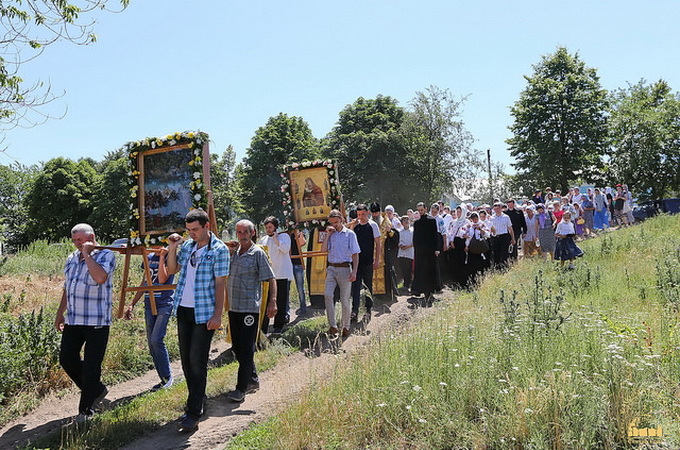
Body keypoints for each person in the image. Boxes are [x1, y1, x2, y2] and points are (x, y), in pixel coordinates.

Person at [166, 209, 229, 432]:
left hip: (204, 312)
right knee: (185, 360)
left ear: (206, 226)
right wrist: (172, 248)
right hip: (183, 309)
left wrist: (217, 314)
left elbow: (221, 284)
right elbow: (172, 270)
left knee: (197, 360)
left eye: (195, 230)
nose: (192, 234)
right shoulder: (187, 247)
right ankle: (198, 400)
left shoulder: (219, 250)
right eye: (189, 230)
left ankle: (193, 413)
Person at [54, 223, 116, 424]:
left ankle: (86, 411)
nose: (77, 244)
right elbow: (68, 287)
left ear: (92, 237)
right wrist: (60, 312)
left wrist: (88, 254)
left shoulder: (105, 255)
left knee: (91, 365)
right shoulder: (71, 258)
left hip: (96, 320)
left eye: (80, 240)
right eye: (75, 241)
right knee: (67, 359)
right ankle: (96, 390)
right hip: (73, 318)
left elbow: (99, 278)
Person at [224, 220, 276, 404]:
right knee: (238, 348)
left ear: (253, 233)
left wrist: (272, 302)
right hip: (234, 308)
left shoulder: (258, 254)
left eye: (245, 231)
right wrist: (229, 250)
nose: (242, 235)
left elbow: (271, 278)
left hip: (249, 309)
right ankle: (252, 379)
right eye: (239, 232)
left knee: (246, 349)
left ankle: (241, 388)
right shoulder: (234, 253)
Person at [125, 248, 175, 392]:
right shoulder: (149, 256)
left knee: (156, 339)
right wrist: (131, 304)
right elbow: (144, 282)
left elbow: (162, 278)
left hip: (164, 303)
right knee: (151, 343)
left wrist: (163, 256)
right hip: (149, 302)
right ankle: (163, 378)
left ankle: (168, 377)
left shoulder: (169, 256)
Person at [321, 209, 360, 337]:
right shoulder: (330, 234)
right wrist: (328, 234)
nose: (335, 225)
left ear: (341, 220)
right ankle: (332, 326)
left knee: (344, 300)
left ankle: (346, 326)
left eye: (336, 222)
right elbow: (323, 250)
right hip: (331, 268)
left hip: (344, 268)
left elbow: (355, 254)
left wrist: (354, 271)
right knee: (327, 295)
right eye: (332, 222)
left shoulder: (350, 234)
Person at [258, 217, 293, 333]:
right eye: (267, 227)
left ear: (275, 227)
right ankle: (264, 327)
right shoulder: (263, 240)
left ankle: (278, 326)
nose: (268, 230)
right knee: (267, 301)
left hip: (282, 274)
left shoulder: (284, 237)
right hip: (268, 276)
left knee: (281, 301)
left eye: (270, 227)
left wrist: (275, 238)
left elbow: (285, 249)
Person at [351, 204, 380, 321]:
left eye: (363, 214)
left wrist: (377, 260)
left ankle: (368, 310)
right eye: (358, 214)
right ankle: (354, 310)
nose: (360, 217)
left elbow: (378, 244)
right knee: (356, 286)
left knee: (368, 286)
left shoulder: (373, 225)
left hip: (368, 261)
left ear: (367, 213)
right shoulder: (355, 226)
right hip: (356, 262)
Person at [411, 202, 442, 306]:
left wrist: (437, 249)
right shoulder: (417, 223)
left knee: (430, 271)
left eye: (422, 210)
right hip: (420, 252)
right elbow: (415, 238)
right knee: (421, 271)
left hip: (430, 251)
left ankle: (430, 292)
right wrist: (415, 250)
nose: (420, 212)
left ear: (425, 209)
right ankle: (421, 290)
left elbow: (435, 236)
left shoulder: (432, 221)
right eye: (419, 210)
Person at [447, 204, 470, 288]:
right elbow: (451, 232)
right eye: (457, 211)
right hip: (455, 243)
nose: (458, 213)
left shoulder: (467, 222)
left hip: (463, 243)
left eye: (460, 212)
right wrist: (451, 242)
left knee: (462, 261)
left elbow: (469, 234)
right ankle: (454, 280)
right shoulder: (454, 222)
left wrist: (467, 245)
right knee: (454, 261)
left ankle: (462, 281)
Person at [489, 202, 516, 270]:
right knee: (495, 253)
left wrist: (513, 238)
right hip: (495, 237)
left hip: (504, 237)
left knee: (504, 253)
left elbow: (510, 228)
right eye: (495, 209)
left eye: (498, 209)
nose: (497, 210)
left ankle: (504, 268)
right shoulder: (491, 218)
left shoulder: (506, 217)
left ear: (501, 208)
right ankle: (496, 268)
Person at [289, 230, 308, 316]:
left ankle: (303, 308)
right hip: (287, 264)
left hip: (298, 263)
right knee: (286, 289)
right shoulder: (285, 234)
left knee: (300, 288)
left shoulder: (300, 233)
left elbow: (302, 243)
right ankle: (286, 311)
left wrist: (299, 232)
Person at [397, 215, 414, 294]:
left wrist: (408, 246)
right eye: (404, 220)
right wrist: (400, 245)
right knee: (403, 269)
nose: (406, 221)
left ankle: (408, 284)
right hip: (402, 253)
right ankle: (405, 283)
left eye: (407, 220)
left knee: (409, 269)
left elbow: (414, 242)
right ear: (402, 223)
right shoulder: (400, 231)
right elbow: (399, 241)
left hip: (409, 252)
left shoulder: (412, 231)